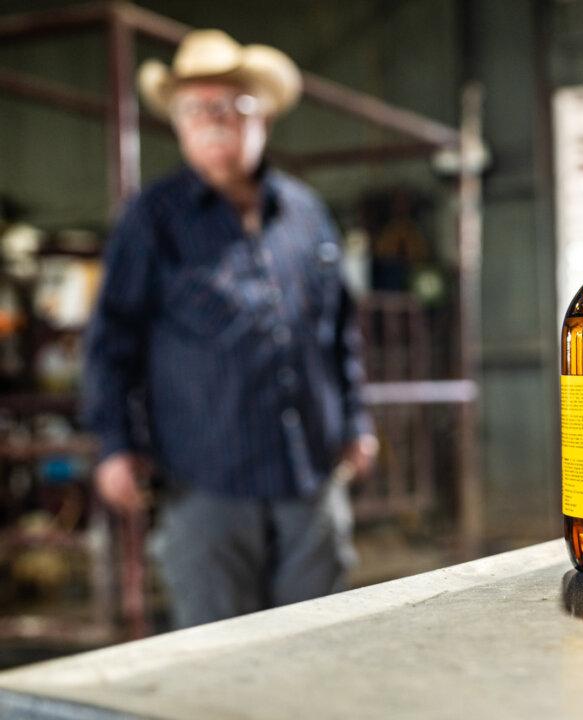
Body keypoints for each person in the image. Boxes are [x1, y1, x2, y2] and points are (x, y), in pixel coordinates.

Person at [82, 29, 379, 629]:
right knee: (216, 653)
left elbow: (339, 331)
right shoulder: (152, 220)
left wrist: (356, 422)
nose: (213, 120)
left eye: (230, 105)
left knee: (321, 639)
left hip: (311, 476)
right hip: (205, 480)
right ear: (180, 123)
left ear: (262, 114)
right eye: (195, 108)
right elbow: (112, 340)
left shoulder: (305, 211)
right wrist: (115, 445)